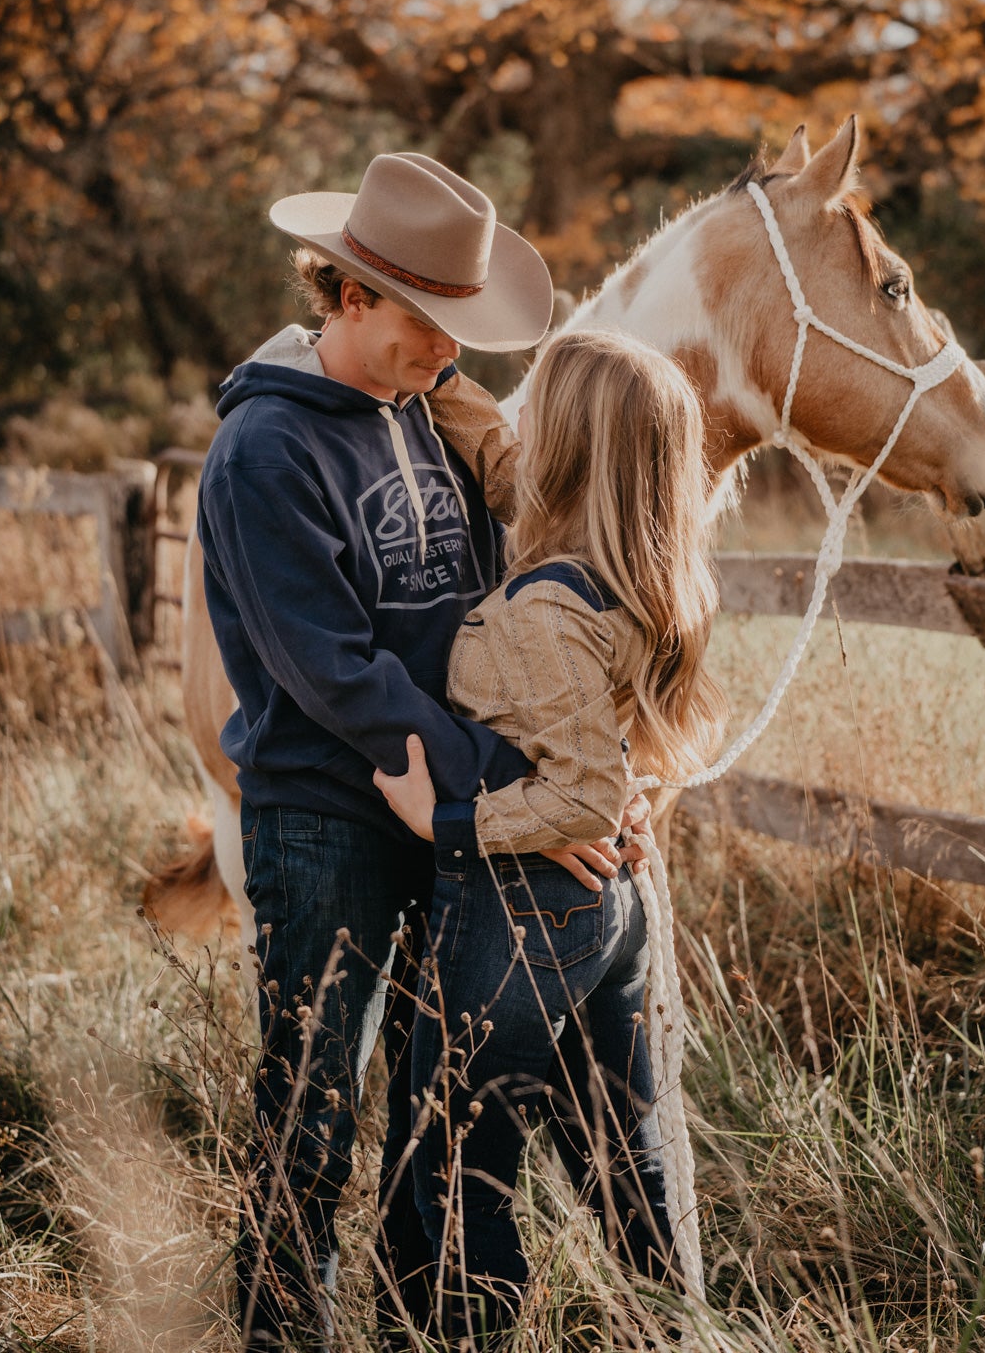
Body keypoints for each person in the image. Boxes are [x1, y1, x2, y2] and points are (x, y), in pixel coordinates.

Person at [196, 153, 638, 1351]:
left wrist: (553, 770)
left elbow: (504, 595)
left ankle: (416, 1325)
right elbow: (336, 670)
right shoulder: (265, 454)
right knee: (312, 1106)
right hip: (331, 811)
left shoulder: (432, 413)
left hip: (445, 811)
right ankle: (284, 1330)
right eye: (425, 326)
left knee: (437, 1108)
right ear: (347, 295)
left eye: (460, 331)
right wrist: (512, 790)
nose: (449, 352)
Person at [375, 328, 728, 1343]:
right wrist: (447, 385)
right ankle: (675, 1330)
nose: (519, 426)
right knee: (626, 1156)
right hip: (609, 911)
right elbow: (506, 466)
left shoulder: (542, 611)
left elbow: (577, 797)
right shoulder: (642, 578)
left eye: (541, 415)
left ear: (571, 447)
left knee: (457, 1170)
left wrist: (446, 822)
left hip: (525, 906)